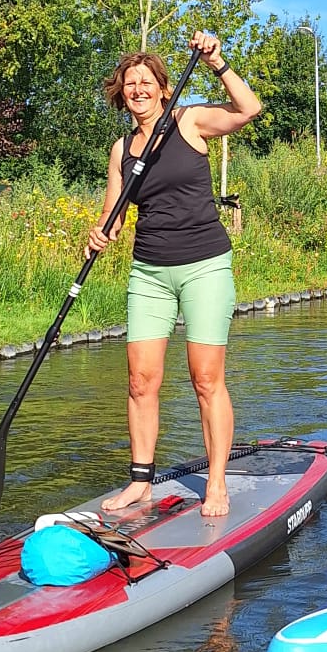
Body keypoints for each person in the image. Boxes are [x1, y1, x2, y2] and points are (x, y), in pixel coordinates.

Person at [89, 31, 261, 519]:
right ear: (121, 94)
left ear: (164, 89)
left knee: (206, 379)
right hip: (149, 272)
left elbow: (248, 109)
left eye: (147, 81)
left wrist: (217, 63)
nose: (138, 89)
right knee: (141, 381)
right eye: (130, 83)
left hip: (204, 265)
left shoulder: (189, 121)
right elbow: (114, 214)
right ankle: (140, 483)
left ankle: (217, 483)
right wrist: (100, 233)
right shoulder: (122, 149)